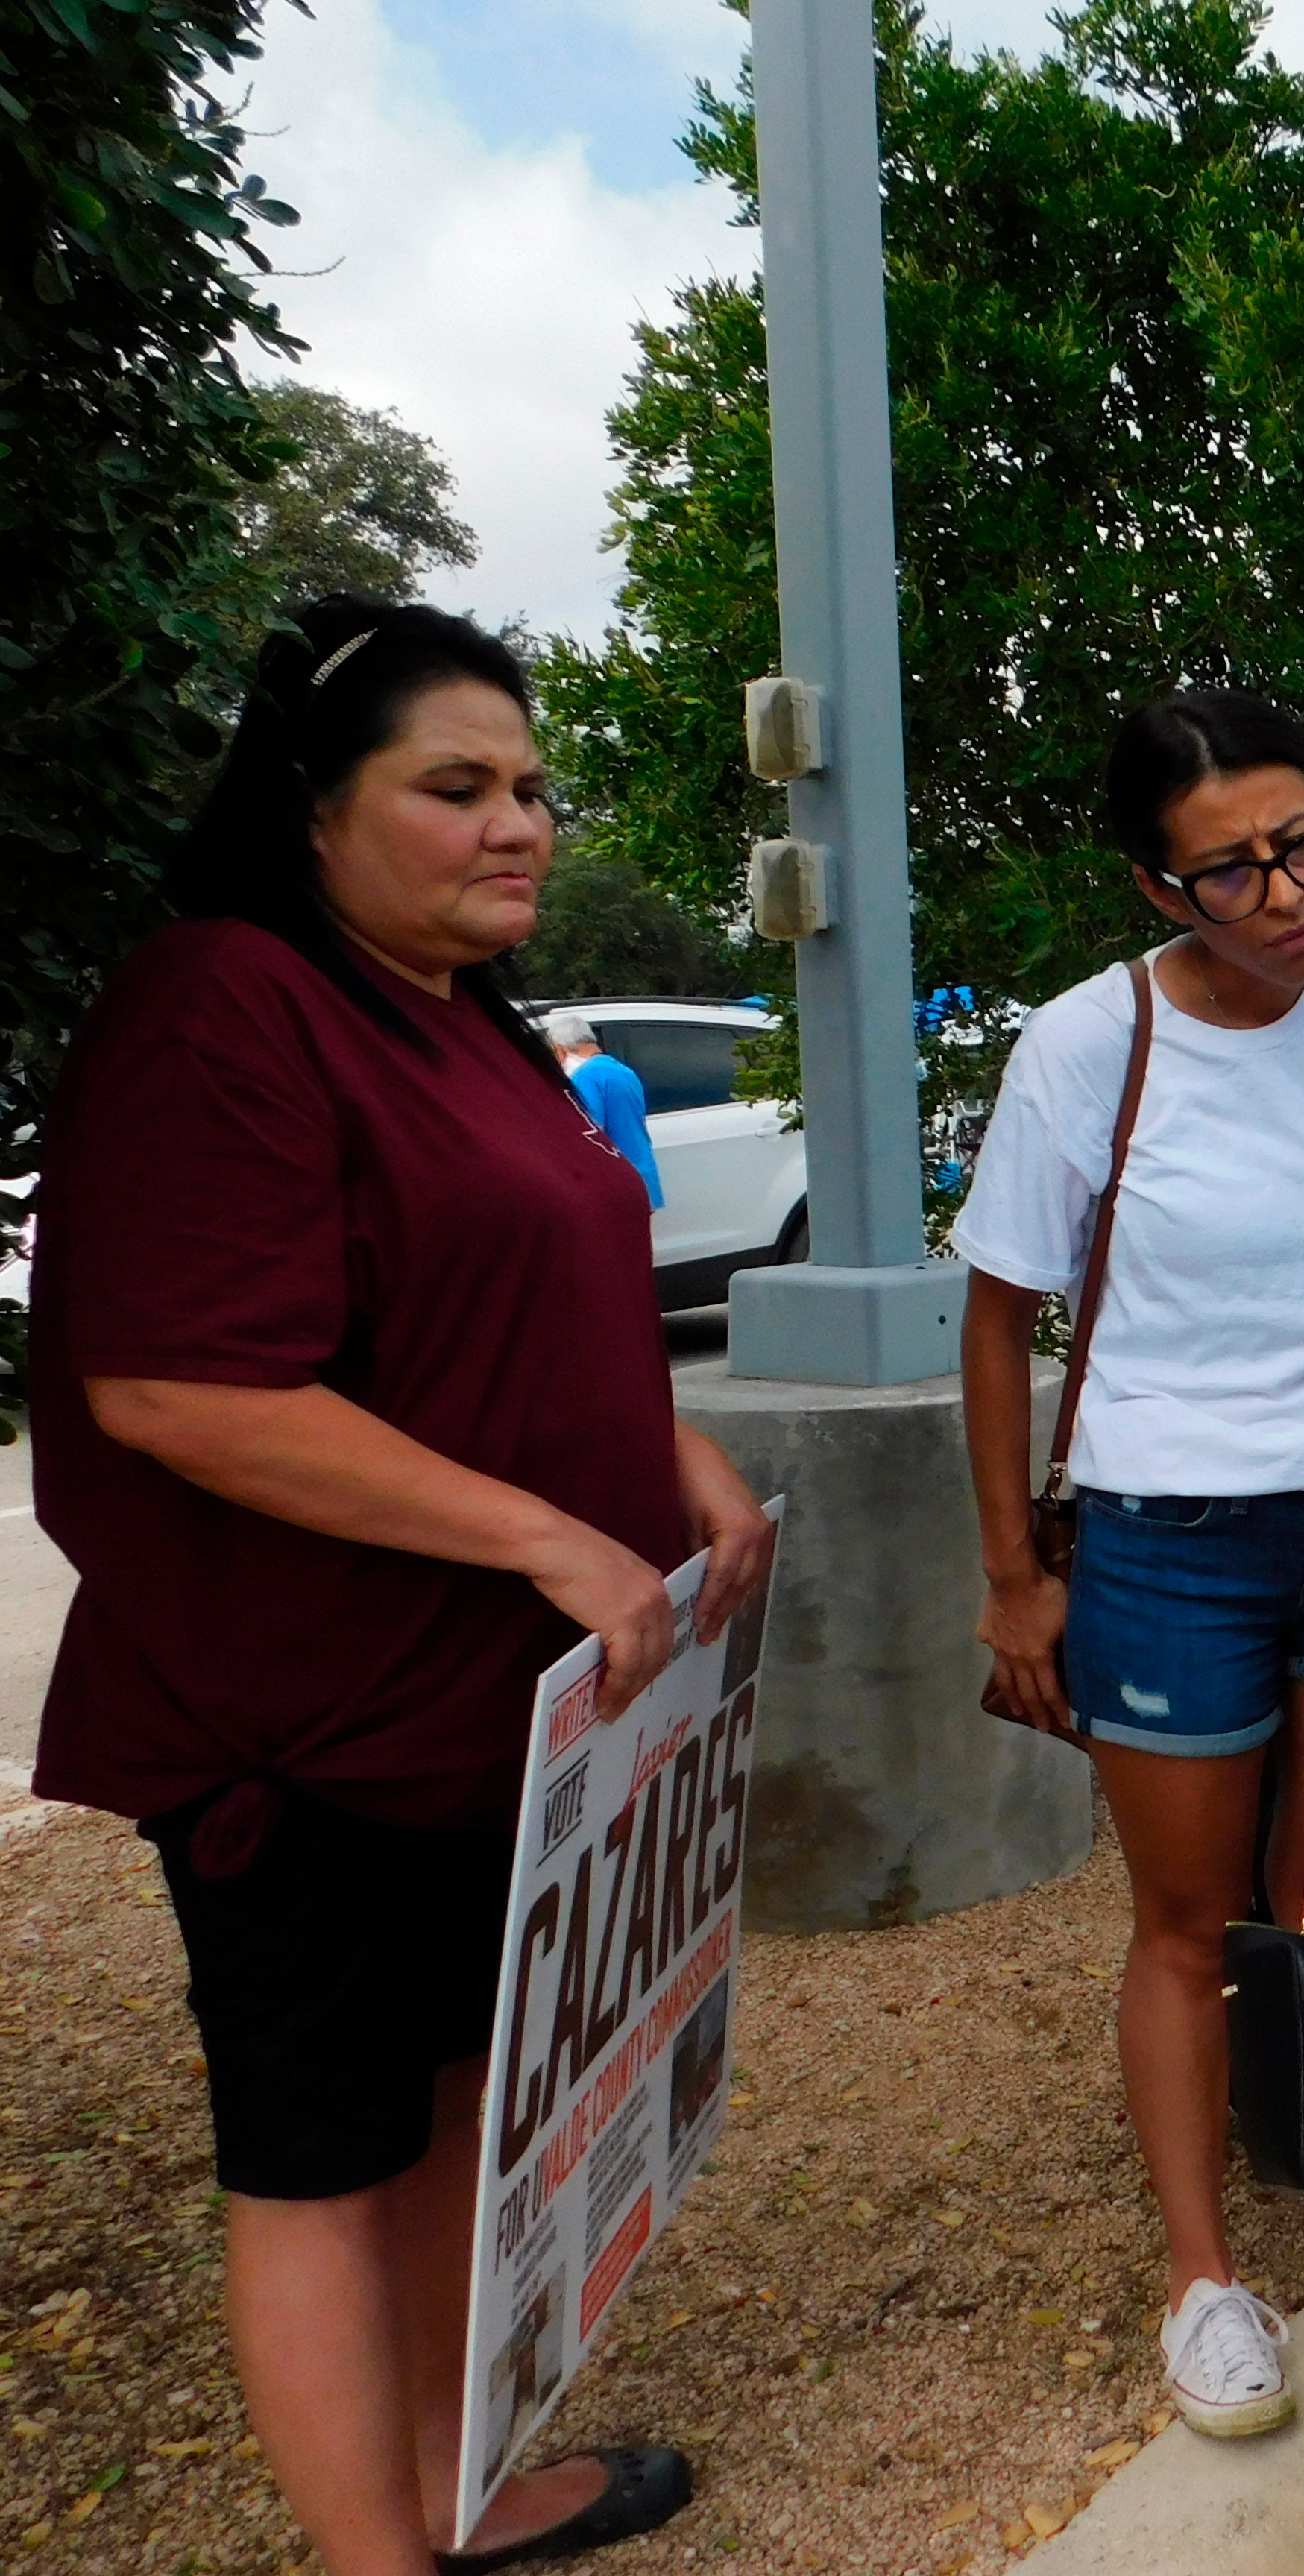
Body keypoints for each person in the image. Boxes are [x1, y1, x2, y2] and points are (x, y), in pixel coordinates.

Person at [28, 599, 775, 2575]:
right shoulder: (227, 1002)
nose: (520, 822)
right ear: (312, 810)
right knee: (323, 2163)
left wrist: (679, 1465)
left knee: (470, 2121)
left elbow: (549, 1308)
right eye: (458, 787)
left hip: (503, 1729)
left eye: (530, 785)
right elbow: (180, 1384)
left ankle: (461, 2487)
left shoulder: (472, 1023)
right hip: (312, 1718)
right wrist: (546, 1532)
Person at [955, 689, 1304, 2440]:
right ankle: (1203, 2274)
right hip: (1167, 1539)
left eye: (1302, 845)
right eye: (1231, 870)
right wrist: (1015, 1577)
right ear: (1154, 885)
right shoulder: (1086, 1048)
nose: (1285, 895)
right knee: (1187, 1923)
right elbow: (1000, 1309)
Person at [545, 1011, 664, 1210]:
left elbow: (591, 1131)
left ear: (560, 1051)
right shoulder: (624, 1072)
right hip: (642, 1177)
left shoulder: (585, 1077)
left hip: (614, 1183)